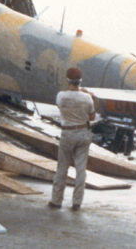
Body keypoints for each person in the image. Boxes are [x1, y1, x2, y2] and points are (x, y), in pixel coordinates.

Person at [49, 67, 96, 211]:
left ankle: (56, 200)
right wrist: (89, 95)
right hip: (83, 132)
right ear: (80, 81)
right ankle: (77, 202)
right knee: (81, 169)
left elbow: (60, 106)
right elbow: (92, 116)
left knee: (62, 168)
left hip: (67, 133)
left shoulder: (61, 96)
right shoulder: (87, 97)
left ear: (67, 80)